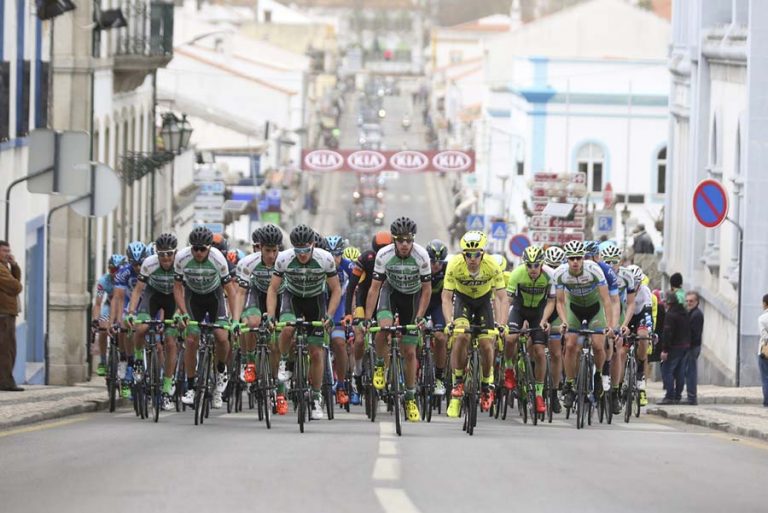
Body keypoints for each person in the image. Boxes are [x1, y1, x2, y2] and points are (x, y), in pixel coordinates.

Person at [365, 217, 432, 423]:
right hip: (390, 293)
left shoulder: (422, 256)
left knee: (410, 351)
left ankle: (410, 397)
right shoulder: (383, 255)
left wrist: (420, 317)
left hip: (411, 298)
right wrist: (367, 318)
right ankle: (379, 365)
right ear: (394, 240)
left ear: (413, 240)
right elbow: (375, 288)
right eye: (400, 240)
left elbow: (427, 289)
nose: (404, 244)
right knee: (383, 328)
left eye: (408, 240)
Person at [443, 231, 507, 418]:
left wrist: (502, 324)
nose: (472, 258)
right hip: (462, 301)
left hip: (483, 303)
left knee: (487, 344)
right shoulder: (454, 264)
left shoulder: (492, 265)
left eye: (476, 254)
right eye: (468, 254)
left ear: (483, 253)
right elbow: (447, 298)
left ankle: (487, 385)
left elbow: (502, 298)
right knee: (461, 336)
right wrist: (449, 323)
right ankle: (457, 385)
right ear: (463, 254)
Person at [659, 290, 690, 404]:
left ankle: (669, 396)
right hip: (685, 346)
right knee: (680, 372)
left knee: (667, 370)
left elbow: (667, 333)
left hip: (674, 347)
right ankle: (678, 395)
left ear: (668, 303)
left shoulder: (670, 315)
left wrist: (665, 349)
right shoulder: (684, 313)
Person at [0, 240, 23, 391]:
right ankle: (6, 382)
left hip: (7, 312)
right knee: (6, 349)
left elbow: (16, 280)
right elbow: (15, 286)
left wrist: (14, 265)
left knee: (8, 349)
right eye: (4, 251)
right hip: (4, 313)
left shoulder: (5, 267)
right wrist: (17, 284)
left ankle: (6, 380)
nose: (7, 254)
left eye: (8, 251)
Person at [684, 291, 703, 405]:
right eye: (687, 301)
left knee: (691, 372)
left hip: (692, 347)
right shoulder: (691, 313)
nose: (689, 303)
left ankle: (692, 397)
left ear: (697, 302)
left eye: (691, 301)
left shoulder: (696, 315)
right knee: (688, 371)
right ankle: (690, 396)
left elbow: (694, 334)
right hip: (691, 346)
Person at [757, 294, 768, 408]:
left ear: (765, 303)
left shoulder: (762, 318)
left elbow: (764, 336)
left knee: (765, 377)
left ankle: (767, 401)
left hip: (765, 351)